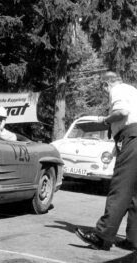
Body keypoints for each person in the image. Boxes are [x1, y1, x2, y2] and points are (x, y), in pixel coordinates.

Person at [75, 71, 137, 251]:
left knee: (120, 189)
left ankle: (102, 237)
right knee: (135, 195)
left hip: (132, 138)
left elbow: (122, 112)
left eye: (103, 89)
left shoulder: (117, 89)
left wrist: (105, 120)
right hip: (132, 138)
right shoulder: (133, 91)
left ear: (106, 85)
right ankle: (133, 240)